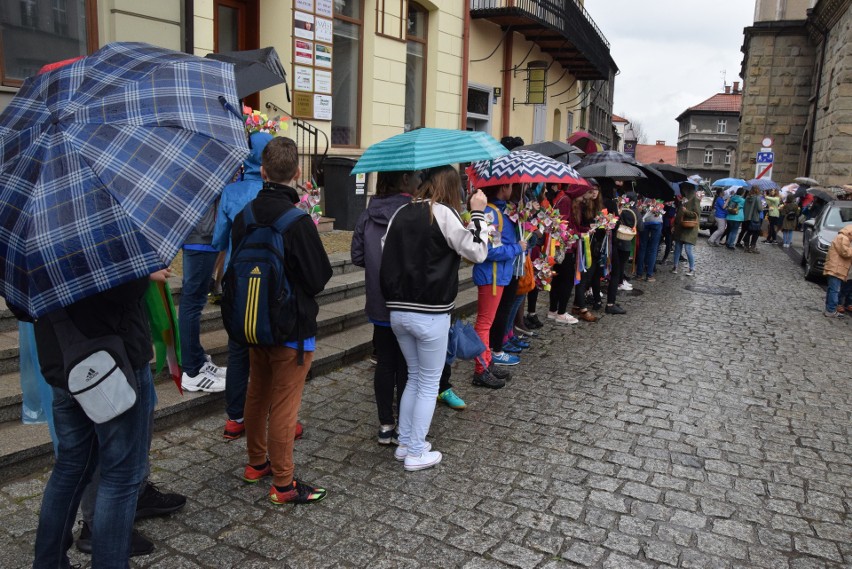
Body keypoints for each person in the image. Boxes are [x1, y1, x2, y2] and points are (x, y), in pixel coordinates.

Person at [26, 276, 158, 567]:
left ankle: (48, 562)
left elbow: (22, 305)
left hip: (62, 361)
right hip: (114, 362)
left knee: (70, 467)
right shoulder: (101, 231)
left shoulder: (33, 237)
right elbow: (128, 289)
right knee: (121, 476)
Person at [233, 137, 333, 504]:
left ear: (262, 171)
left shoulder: (245, 216)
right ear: (296, 173)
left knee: (257, 394)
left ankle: (255, 463)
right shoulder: (297, 221)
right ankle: (284, 484)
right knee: (285, 405)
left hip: (253, 323)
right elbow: (319, 277)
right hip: (292, 327)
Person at [380, 165, 489, 471]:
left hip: (399, 310)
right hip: (430, 312)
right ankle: (415, 451)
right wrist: (478, 214)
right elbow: (477, 251)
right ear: (452, 188)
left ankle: (405, 442)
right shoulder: (443, 214)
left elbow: (385, 250)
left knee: (414, 377)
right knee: (428, 383)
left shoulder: (400, 212)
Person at [212, 132, 277, 440]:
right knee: (271, 352)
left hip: (235, 279)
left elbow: (218, 238)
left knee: (237, 350)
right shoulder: (276, 193)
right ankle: (276, 418)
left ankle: (235, 417)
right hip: (269, 281)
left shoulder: (231, 191)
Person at [471, 183, 526, 387]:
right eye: (510, 186)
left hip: (497, 275)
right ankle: (480, 369)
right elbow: (491, 251)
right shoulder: (491, 214)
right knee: (484, 324)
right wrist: (517, 248)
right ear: (503, 188)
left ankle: (486, 361)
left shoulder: (498, 212)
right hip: (491, 276)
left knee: (487, 322)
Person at [180, 203, 227, 393]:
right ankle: (191, 372)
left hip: (205, 236)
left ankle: (197, 360)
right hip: (200, 238)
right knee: (192, 303)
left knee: (195, 302)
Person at [571, 186, 602, 322]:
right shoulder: (581, 206)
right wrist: (589, 229)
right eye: (591, 190)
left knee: (589, 275)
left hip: (593, 244)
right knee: (583, 276)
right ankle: (582, 308)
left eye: (596, 190)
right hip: (583, 244)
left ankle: (578, 305)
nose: (593, 193)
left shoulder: (598, 205)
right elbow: (577, 226)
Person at [671, 182, 701, 276]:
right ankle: (675, 266)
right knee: (677, 249)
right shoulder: (684, 200)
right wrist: (674, 225)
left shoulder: (695, 200)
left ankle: (692, 268)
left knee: (688, 249)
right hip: (680, 228)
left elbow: (696, 214)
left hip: (690, 228)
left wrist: (686, 211)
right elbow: (679, 214)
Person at [822, 223, 852, 317]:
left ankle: (829, 309)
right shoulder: (843, 238)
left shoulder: (841, 237)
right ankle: (830, 310)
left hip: (835, 268)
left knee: (832, 289)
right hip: (836, 269)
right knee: (835, 290)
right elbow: (845, 253)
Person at [740, 186, 764, 253]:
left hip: (747, 217)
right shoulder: (757, 198)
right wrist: (762, 206)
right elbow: (760, 209)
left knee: (749, 231)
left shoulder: (747, 197)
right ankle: (752, 247)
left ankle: (746, 247)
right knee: (756, 232)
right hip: (755, 217)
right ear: (757, 190)